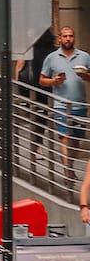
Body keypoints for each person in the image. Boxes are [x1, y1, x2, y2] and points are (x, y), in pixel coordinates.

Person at [39, 24, 90, 178]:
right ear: (60, 39)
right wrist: (54, 81)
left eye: (71, 36)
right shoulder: (52, 58)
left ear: (74, 38)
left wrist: (86, 76)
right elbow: (42, 80)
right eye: (65, 36)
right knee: (65, 137)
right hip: (61, 105)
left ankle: (69, 165)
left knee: (76, 141)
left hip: (80, 105)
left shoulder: (84, 57)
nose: (68, 39)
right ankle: (68, 171)